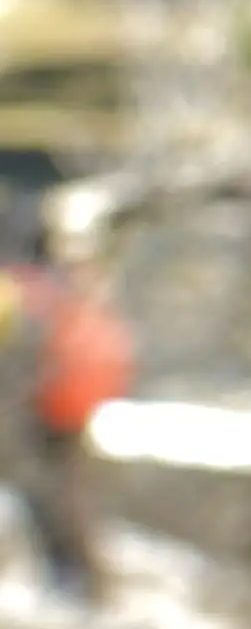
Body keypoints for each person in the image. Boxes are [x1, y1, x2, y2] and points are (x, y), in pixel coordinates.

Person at [0, 187, 123, 600]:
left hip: (50, 407)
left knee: (54, 495)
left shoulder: (30, 290)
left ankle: (74, 576)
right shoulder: (63, 289)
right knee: (62, 494)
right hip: (64, 405)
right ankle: (76, 576)